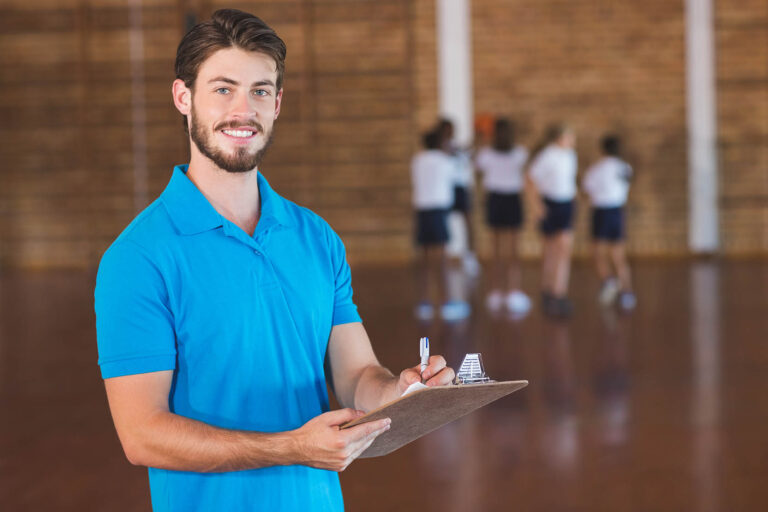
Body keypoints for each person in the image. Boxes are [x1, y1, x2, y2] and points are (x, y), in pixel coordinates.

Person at [94, 10, 454, 511]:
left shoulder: (317, 238)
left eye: (260, 91)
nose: (243, 110)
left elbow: (357, 376)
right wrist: (290, 447)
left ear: (278, 103)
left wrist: (402, 390)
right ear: (183, 97)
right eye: (223, 89)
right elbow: (142, 434)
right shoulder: (136, 259)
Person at [411, 129, 471, 321]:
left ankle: (425, 302)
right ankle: (447, 302)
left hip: (421, 211)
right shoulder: (445, 161)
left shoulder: (418, 160)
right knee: (443, 258)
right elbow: (460, 171)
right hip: (438, 211)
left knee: (425, 258)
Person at [475, 118, 531, 315]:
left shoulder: (519, 153)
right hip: (498, 198)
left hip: (508, 198)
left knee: (508, 249)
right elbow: (478, 171)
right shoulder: (489, 154)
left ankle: (510, 291)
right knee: (499, 249)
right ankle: (498, 291)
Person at [528, 124, 578, 317]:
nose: (572, 141)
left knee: (563, 248)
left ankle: (559, 291)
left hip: (566, 204)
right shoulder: (548, 155)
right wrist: (536, 205)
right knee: (551, 249)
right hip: (551, 204)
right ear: (559, 137)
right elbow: (530, 179)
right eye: (569, 137)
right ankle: (549, 290)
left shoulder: (571, 155)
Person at [582, 135, 636, 310]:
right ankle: (627, 292)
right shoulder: (625, 167)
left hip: (602, 211)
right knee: (618, 254)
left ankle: (609, 280)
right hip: (618, 211)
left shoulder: (596, 169)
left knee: (597, 251)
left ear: (602, 149)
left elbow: (587, 189)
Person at [436, 118, 481, 276]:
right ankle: (444, 257)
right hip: (445, 188)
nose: (450, 132)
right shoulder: (438, 148)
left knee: (468, 221)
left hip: (461, 187)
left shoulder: (456, 146)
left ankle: (470, 257)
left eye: (451, 129)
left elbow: (468, 155)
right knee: (443, 223)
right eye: (446, 129)